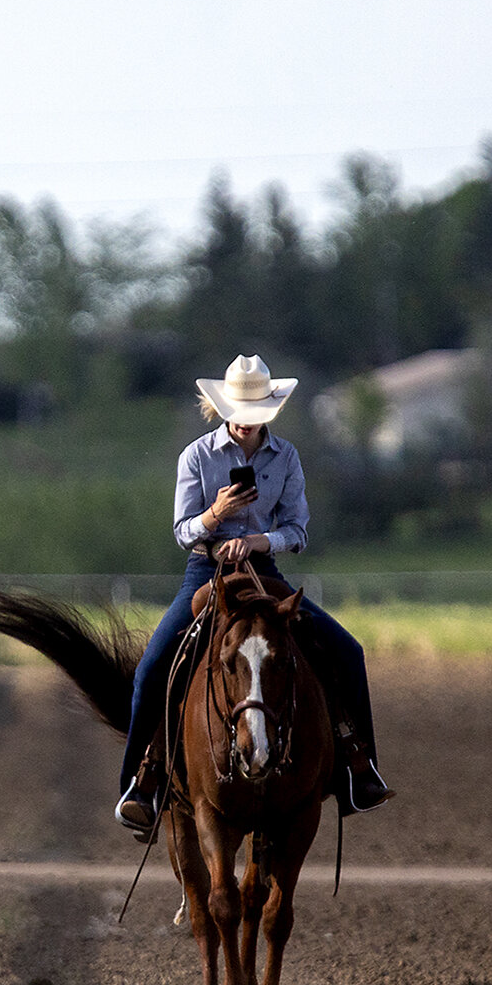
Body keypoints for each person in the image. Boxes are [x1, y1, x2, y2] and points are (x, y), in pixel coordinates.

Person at [114, 352, 391, 838]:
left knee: (348, 651)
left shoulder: (285, 457)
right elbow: (182, 531)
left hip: (265, 570)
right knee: (153, 667)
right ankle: (142, 783)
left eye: (255, 417)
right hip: (206, 572)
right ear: (224, 410)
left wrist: (261, 541)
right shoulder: (196, 456)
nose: (246, 425)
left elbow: (297, 528)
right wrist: (217, 514)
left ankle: (357, 767)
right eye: (240, 416)